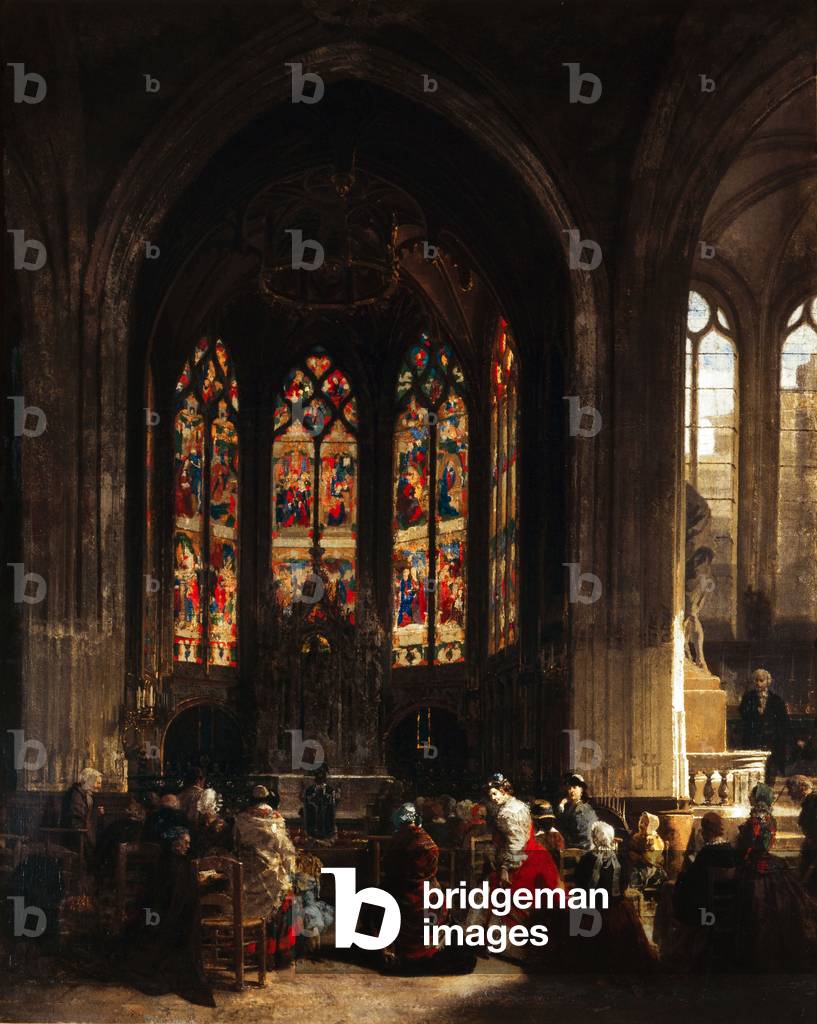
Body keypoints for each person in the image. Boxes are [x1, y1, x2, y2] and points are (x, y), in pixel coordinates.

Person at [116, 825, 214, 1007]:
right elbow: (172, 898)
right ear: (174, 843)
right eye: (184, 843)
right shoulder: (173, 864)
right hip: (163, 919)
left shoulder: (172, 861)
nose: (187, 846)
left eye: (188, 843)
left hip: (159, 916)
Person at [382, 802, 475, 974]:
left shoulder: (399, 839)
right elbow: (430, 869)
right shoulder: (426, 838)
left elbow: (389, 867)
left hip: (407, 892)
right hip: (429, 892)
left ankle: (401, 951)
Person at [733, 783, 817, 971]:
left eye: (752, 796)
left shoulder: (757, 818)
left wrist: (743, 854)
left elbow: (752, 845)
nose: (750, 799)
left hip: (756, 865)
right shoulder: (770, 818)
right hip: (768, 861)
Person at [470, 772, 561, 935]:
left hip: (521, 859)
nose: (493, 797)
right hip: (535, 855)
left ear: (504, 790)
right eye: (490, 794)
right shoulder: (517, 805)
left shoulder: (509, 812)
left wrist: (505, 868)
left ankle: (498, 937)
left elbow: (516, 843)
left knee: (494, 889)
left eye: (495, 793)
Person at [572, 821, 656, 972]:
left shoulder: (587, 859)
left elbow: (579, 882)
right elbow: (624, 884)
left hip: (593, 910)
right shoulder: (621, 860)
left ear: (594, 839)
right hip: (617, 909)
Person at [234, 785, 298, 966]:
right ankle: (275, 954)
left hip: (247, 881)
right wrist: (289, 871)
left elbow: (236, 848)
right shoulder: (277, 822)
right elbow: (286, 853)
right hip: (272, 880)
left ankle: (250, 953)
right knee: (287, 896)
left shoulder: (241, 820)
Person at [738, 669, 792, 781]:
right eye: (756, 680)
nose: (758, 683)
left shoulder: (776, 699)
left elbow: (783, 721)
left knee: (770, 771)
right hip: (753, 740)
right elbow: (743, 714)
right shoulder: (748, 698)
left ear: (768, 682)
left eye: (761, 680)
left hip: (771, 741)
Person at [93, 798, 146, 882]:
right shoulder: (141, 826)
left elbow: (105, 840)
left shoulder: (119, 823)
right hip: (136, 857)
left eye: (127, 809)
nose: (125, 810)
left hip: (117, 857)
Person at [61, 767, 104, 857]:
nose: (100, 786)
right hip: (76, 834)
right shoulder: (76, 794)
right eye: (97, 783)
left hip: (87, 831)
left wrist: (97, 813)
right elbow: (77, 817)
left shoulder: (89, 795)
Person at [787, 775, 817, 895]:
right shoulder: (809, 801)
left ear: (802, 787)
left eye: (791, 789)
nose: (789, 794)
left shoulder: (814, 800)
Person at [626, 812, 667, 892]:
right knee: (632, 873)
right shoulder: (636, 836)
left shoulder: (654, 838)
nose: (642, 825)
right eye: (641, 822)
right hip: (637, 865)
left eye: (645, 824)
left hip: (650, 865)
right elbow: (631, 848)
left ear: (651, 826)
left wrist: (648, 848)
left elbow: (654, 854)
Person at [555, 772, 597, 850]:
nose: (571, 791)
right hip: (572, 843)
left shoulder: (582, 809)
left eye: (574, 787)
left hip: (580, 847)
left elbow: (583, 835)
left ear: (581, 789)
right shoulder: (571, 806)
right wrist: (562, 804)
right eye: (569, 788)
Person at [302, 766, 340, 843]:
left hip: (326, 821)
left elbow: (334, 803)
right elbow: (306, 803)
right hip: (313, 821)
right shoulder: (310, 790)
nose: (320, 779)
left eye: (322, 777)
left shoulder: (330, 790)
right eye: (318, 776)